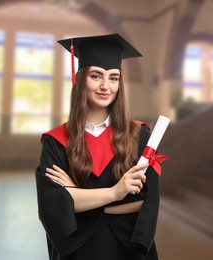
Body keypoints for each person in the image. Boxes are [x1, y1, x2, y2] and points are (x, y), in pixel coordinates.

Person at [35, 33, 160, 260]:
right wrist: (115, 192)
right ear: (80, 79)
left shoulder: (140, 135)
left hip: (127, 250)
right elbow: (52, 206)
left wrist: (79, 198)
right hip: (79, 251)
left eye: (114, 78)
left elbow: (146, 200)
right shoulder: (55, 141)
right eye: (96, 76)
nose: (106, 86)